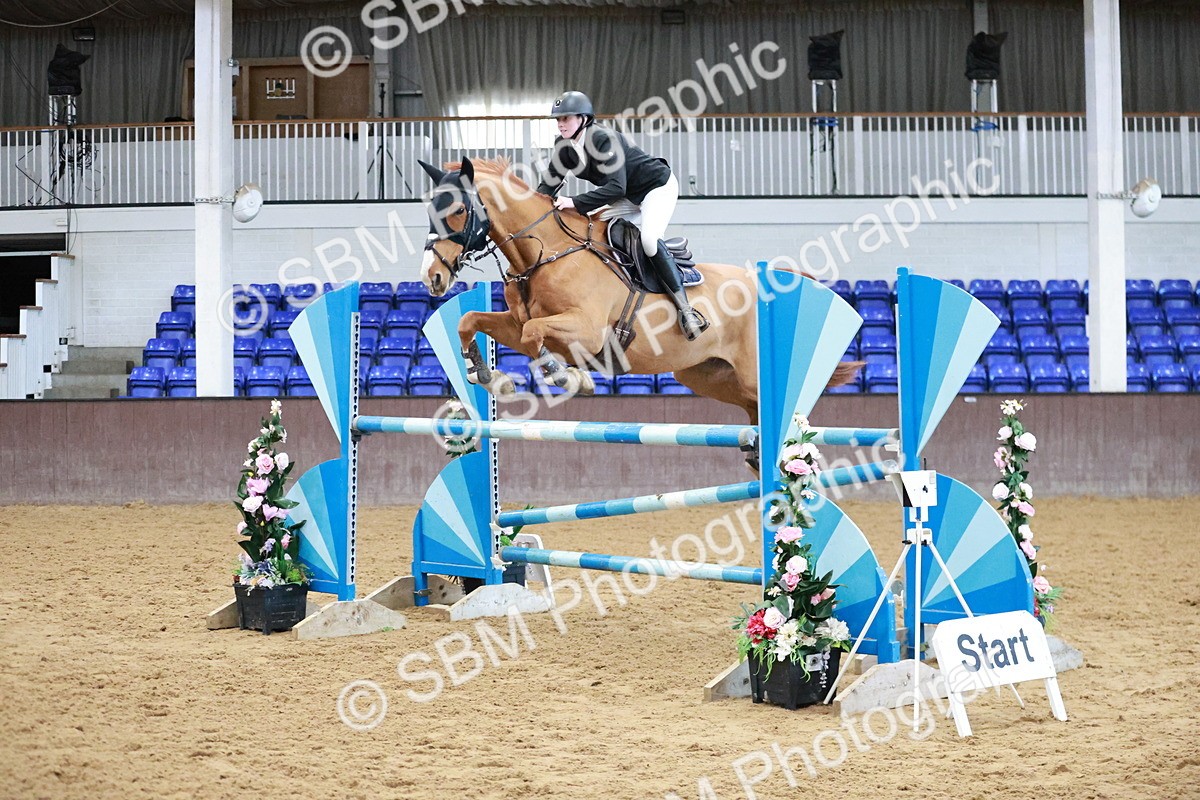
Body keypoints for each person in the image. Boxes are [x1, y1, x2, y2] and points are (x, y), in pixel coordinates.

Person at [535, 91, 709, 340]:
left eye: (566, 118)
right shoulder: (563, 147)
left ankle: (687, 311)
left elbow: (617, 187)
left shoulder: (602, 138)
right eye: (558, 119)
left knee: (649, 240)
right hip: (627, 196)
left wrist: (573, 202)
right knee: (592, 230)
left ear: (583, 118)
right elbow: (547, 187)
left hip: (656, 187)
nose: (561, 124)